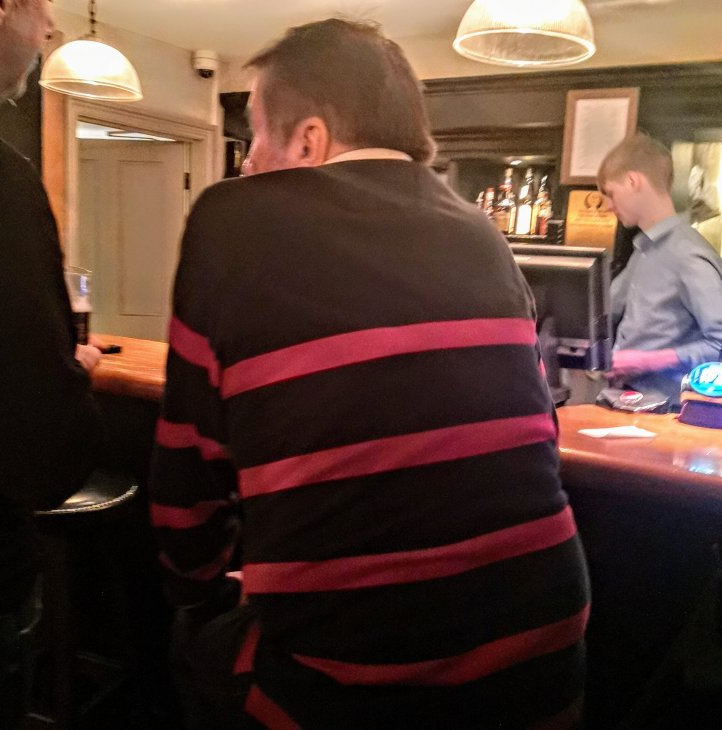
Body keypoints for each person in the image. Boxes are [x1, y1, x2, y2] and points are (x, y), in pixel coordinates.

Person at [150, 18, 590, 729]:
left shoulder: (233, 221)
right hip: (544, 662)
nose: (248, 163)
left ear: (309, 140)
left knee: (188, 638)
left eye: (255, 136)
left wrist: (199, 584)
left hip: (356, 681)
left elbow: (185, 501)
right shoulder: (483, 235)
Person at [0, 1, 102, 726]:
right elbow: (41, 439)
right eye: (44, 6)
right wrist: (76, 372)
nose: (54, 27)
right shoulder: (1, 180)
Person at [599, 133, 722, 407]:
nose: (608, 206)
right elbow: (605, 309)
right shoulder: (645, 249)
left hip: (669, 413)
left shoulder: (688, 255)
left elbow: (719, 345)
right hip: (629, 404)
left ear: (633, 181)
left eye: (610, 193)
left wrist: (644, 361)